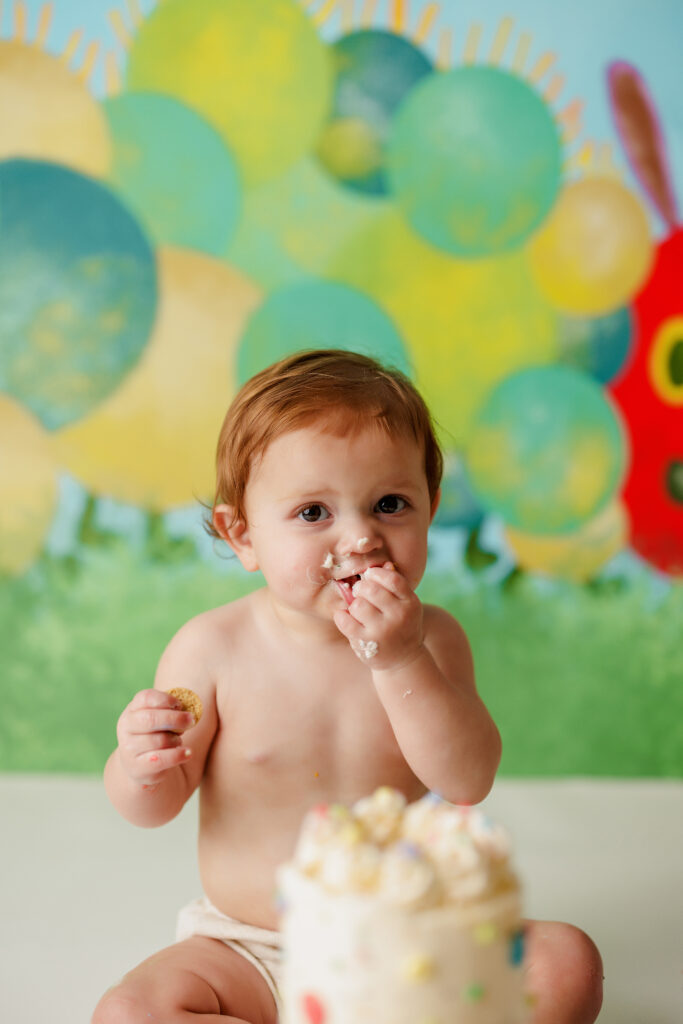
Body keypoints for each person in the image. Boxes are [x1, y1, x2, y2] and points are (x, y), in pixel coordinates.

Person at [93, 349, 603, 1024]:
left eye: (390, 504)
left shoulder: (433, 640)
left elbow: (466, 779)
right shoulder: (212, 649)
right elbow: (151, 807)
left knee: (566, 962)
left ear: (430, 511)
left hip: (411, 945)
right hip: (251, 949)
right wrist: (138, 762)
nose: (360, 538)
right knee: (129, 1012)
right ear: (241, 534)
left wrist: (398, 661)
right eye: (312, 514)